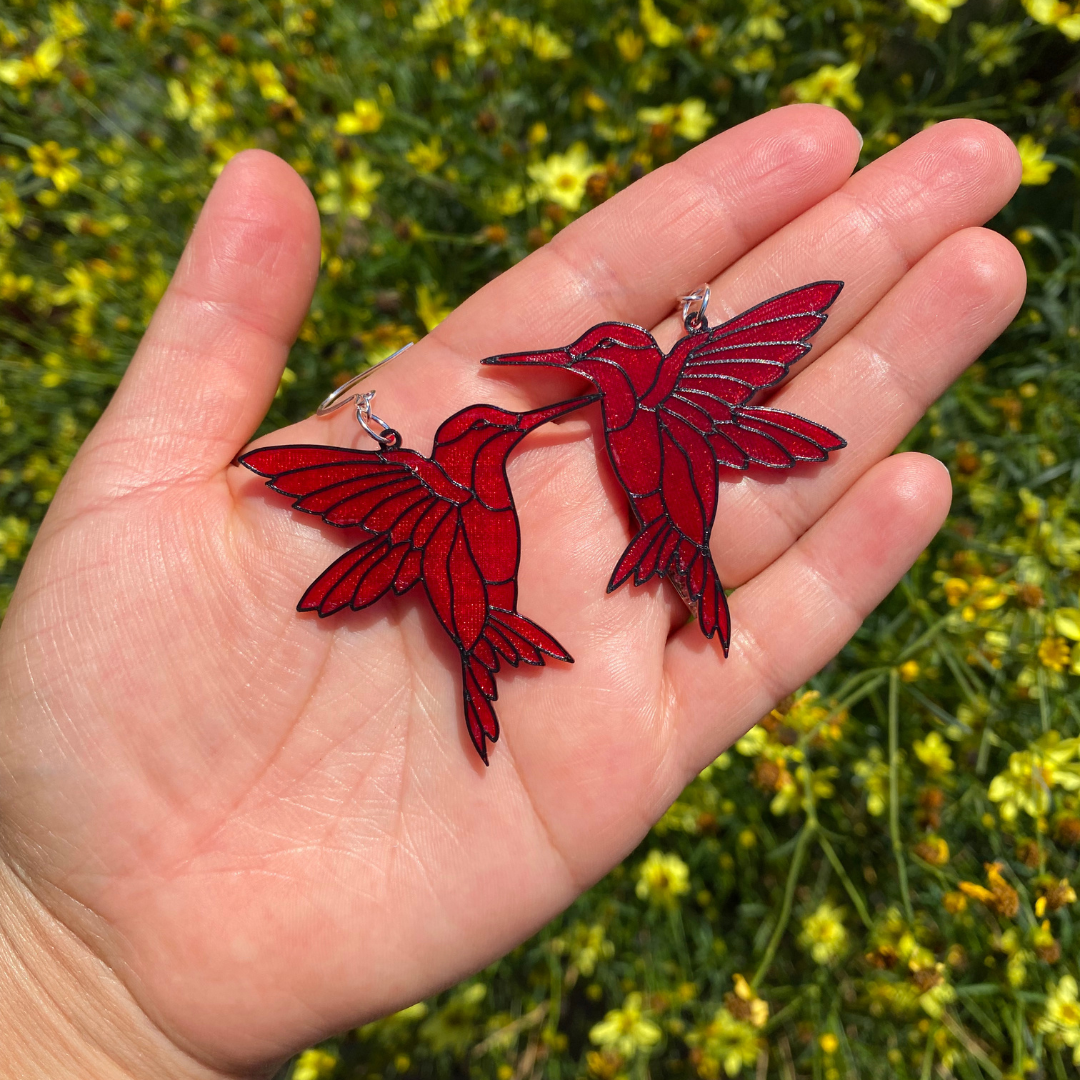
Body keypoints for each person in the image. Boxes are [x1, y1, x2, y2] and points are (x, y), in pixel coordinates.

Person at [0, 104, 1024, 1078]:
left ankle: (613, 593)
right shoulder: (468, 484)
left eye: (584, 367)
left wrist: (84, 1007)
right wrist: (62, 975)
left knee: (650, 560)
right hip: (482, 596)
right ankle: (531, 634)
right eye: (502, 426)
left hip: (588, 549)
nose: (536, 406)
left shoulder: (628, 417)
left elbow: (657, 421)